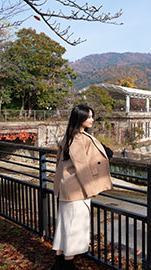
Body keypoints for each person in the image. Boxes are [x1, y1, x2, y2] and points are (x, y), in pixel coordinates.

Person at [51, 104, 113, 270]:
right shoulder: (79, 139)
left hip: (67, 188)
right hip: (76, 190)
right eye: (89, 117)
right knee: (74, 227)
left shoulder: (69, 136)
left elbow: (61, 162)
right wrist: (91, 190)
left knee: (64, 225)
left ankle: (59, 261)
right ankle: (67, 263)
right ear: (80, 119)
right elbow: (82, 166)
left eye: (92, 116)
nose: (92, 120)